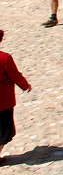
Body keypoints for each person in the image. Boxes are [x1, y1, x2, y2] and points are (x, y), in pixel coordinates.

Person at [0, 29, 32, 164]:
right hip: (3, 102)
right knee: (3, 132)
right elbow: (15, 75)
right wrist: (26, 86)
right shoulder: (4, 58)